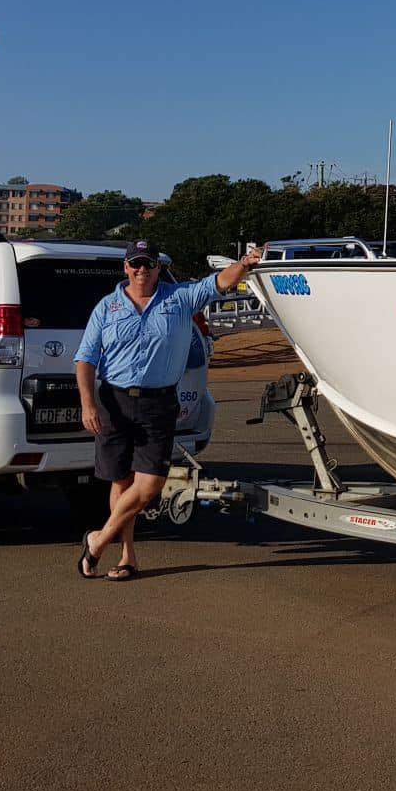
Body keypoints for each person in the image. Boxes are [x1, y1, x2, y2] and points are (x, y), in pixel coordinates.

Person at [74, 238, 261, 581]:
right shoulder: (106, 308)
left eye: (148, 264)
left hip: (158, 403)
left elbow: (219, 282)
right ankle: (128, 556)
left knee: (150, 485)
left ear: (158, 267)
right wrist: (88, 403)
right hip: (114, 401)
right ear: (126, 267)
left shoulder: (180, 298)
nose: (141, 270)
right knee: (121, 481)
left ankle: (98, 540)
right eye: (136, 264)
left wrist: (245, 264)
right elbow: (85, 359)